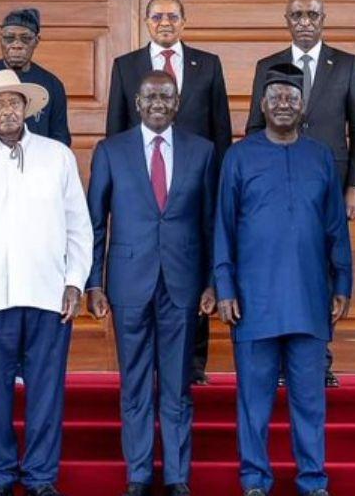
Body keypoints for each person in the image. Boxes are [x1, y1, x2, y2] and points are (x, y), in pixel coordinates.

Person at [0, 69, 93, 496]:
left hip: (48, 295)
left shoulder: (57, 155)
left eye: (13, 102)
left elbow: (78, 227)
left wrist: (74, 281)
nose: (6, 110)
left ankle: (42, 477)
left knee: (47, 393)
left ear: (25, 108)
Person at [213, 64, 352, 496]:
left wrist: (343, 282)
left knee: (309, 401)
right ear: (262, 105)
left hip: (310, 299)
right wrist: (224, 286)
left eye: (291, 97)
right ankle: (255, 479)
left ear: (303, 105)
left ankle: (313, 480)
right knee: (253, 402)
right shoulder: (239, 156)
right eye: (275, 97)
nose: (284, 104)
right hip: (253, 302)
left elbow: (335, 227)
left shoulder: (320, 156)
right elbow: (223, 227)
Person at [86, 70, 217, 496]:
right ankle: (138, 475)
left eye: (166, 96)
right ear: (137, 103)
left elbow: (212, 223)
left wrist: (213, 282)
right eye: (149, 96)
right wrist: (93, 282)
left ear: (177, 103)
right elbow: (95, 224)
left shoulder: (203, 151)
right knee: (136, 384)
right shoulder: (111, 150)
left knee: (178, 387)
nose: (158, 102)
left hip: (183, 283)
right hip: (127, 283)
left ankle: (178, 476)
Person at [106, 0, 232, 384]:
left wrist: (221, 183)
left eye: (172, 16)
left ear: (184, 21)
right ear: (146, 22)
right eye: (157, 16)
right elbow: (117, 129)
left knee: (194, 267)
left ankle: (193, 364)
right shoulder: (126, 66)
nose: (165, 22)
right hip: (146, 185)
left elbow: (221, 129)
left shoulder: (207, 65)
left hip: (195, 183)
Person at [245, 0, 355, 387]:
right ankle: (280, 361)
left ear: (323, 19)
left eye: (312, 15)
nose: (304, 22)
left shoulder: (348, 65)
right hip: (276, 189)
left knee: (322, 270)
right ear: (286, 20)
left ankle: (320, 359)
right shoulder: (268, 66)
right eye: (296, 15)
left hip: (326, 189)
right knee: (280, 269)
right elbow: (253, 127)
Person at [0, 8, 71, 153]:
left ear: (36, 41)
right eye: (9, 38)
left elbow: (60, 138)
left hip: (38, 168)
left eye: (25, 38)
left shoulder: (52, 85)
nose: (17, 44)